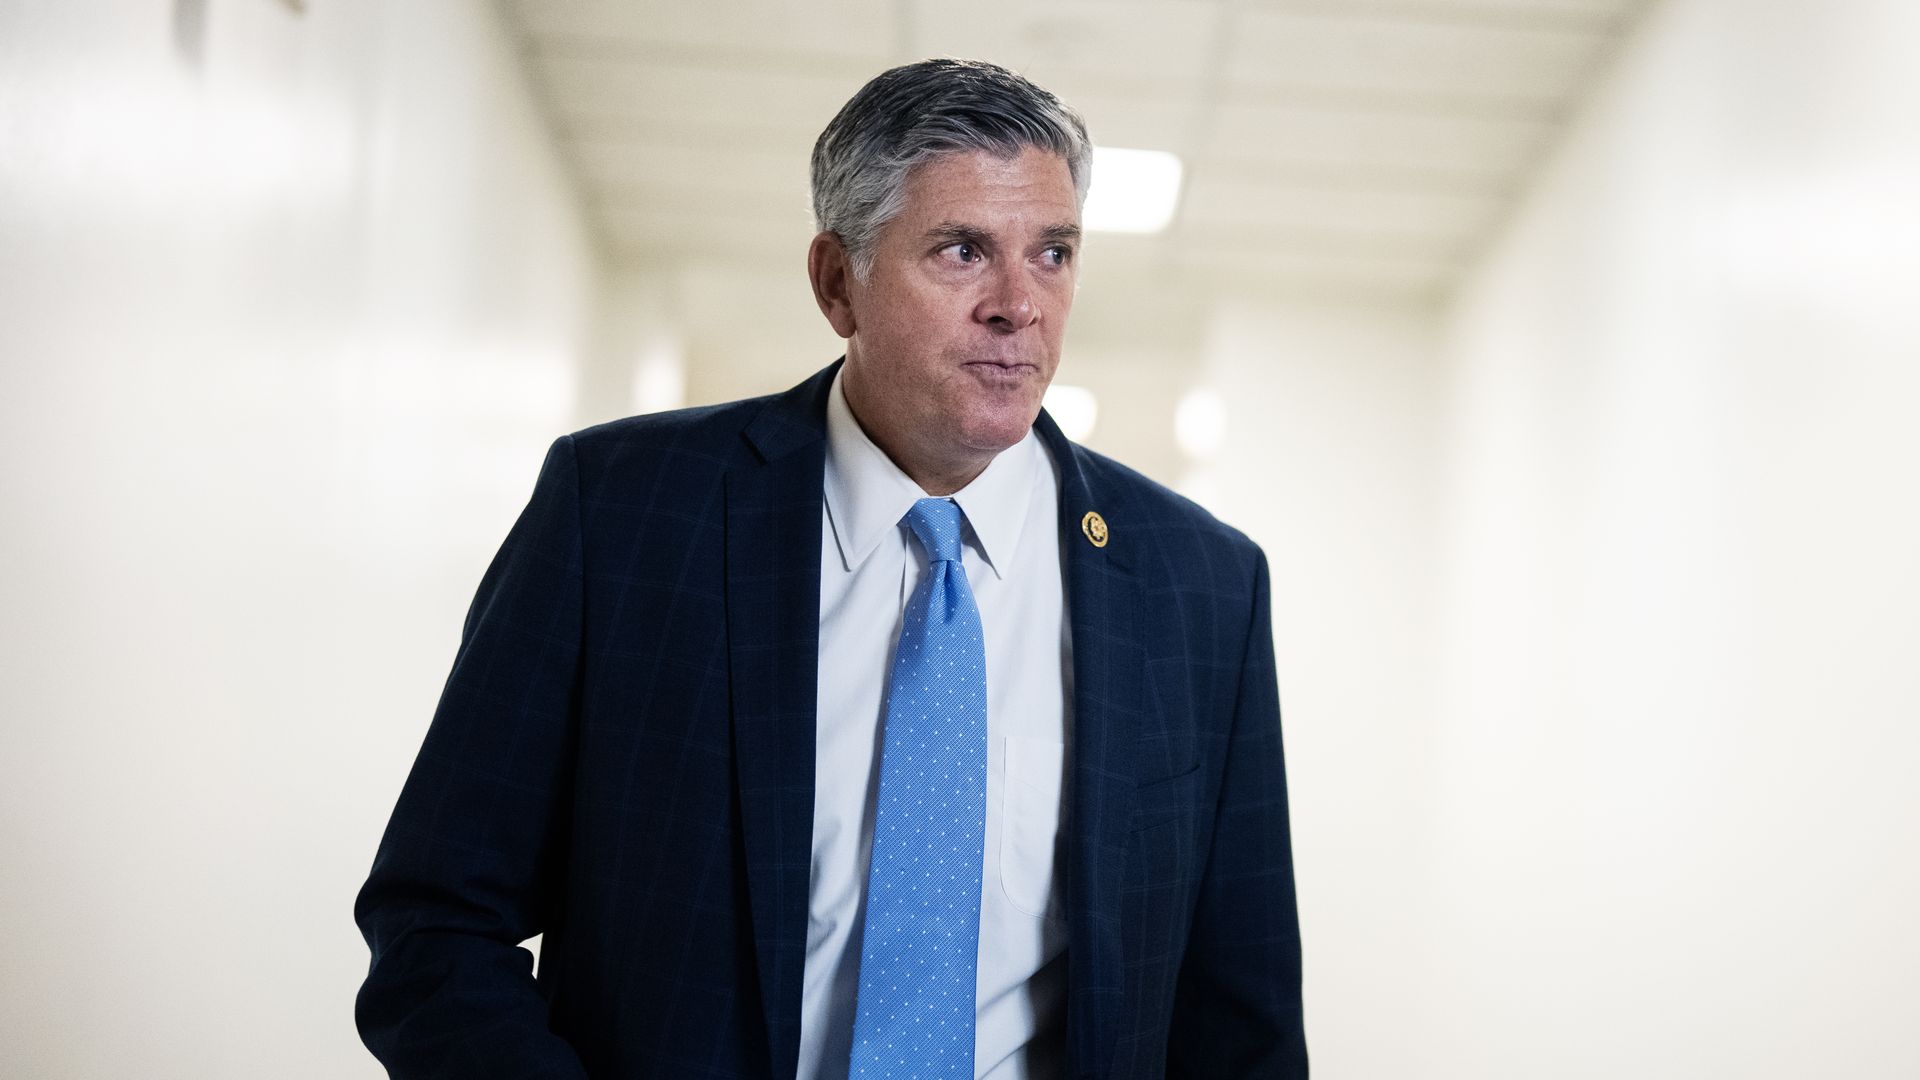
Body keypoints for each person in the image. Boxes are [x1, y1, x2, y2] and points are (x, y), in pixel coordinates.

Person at [354, 58, 1306, 1080]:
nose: (1018, 305)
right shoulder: (624, 516)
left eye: (1054, 254)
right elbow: (438, 924)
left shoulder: (1203, 589)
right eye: (961, 250)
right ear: (837, 282)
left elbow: (1239, 1025)